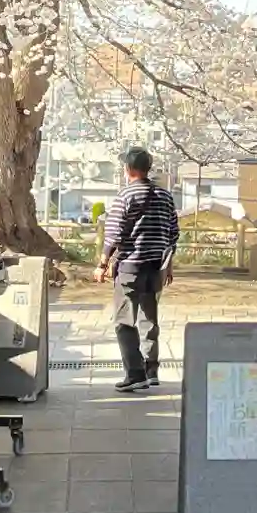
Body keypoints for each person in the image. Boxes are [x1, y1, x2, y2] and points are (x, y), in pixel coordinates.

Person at [95, 146, 180, 392]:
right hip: (156, 267)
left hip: (131, 267)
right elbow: (173, 233)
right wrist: (168, 265)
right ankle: (151, 371)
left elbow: (114, 234)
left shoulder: (126, 195)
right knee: (148, 319)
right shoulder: (165, 196)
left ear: (128, 169)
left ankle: (135, 373)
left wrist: (102, 264)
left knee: (124, 320)